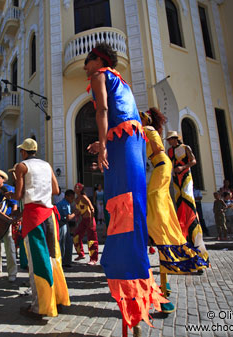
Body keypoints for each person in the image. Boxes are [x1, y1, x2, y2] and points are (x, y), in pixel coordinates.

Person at [84, 42, 166, 336]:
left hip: (123, 147)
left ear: (99, 60)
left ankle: (130, 295)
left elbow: (104, 109)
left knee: (122, 211)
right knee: (129, 210)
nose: (85, 64)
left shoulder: (99, 77)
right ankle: (135, 293)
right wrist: (105, 141)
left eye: (88, 59)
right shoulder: (123, 82)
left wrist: (104, 143)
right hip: (131, 147)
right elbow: (124, 119)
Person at [139, 108, 208, 314]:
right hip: (161, 166)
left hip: (161, 166)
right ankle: (164, 275)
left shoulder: (147, 129)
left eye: (140, 117)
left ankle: (157, 228)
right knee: (159, 203)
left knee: (155, 199)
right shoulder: (150, 132)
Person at [6, 138, 70, 318]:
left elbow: (18, 195)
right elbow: (56, 190)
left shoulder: (21, 166)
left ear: (24, 152)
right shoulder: (47, 165)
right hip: (49, 214)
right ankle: (57, 298)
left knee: (37, 261)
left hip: (33, 215)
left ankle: (39, 306)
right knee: (53, 257)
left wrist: (12, 192)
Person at [166, 131, 209, 264]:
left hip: (185, 177)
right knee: (180, 203)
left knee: (188, 200)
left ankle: (193, 231)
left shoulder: (186, 148)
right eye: (169, 140)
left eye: (171, 139)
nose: (170, 142)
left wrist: (183, 167)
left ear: (176, 139)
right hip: (175, 179)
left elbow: (193, 161)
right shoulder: (170, 151)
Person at [72, 183, 98, 265]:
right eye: (75, 186)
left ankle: (93, 259)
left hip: (89, 220)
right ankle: (81, 254)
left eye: (77, 187)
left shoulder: (84, 197)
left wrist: (91, 221)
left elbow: (92, 209)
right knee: (76, 236)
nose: (75, 188)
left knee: (91, 240)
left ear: (80, 189)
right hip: (83, 220)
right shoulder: (76, 199)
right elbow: (80, 210)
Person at [57, 189, 76, 268]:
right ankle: (62, 261)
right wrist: (75, 213)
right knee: (63, 243)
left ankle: (65, 261)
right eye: (71, 198)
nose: (72, 200)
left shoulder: (64, 203)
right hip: (62, 224)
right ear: (66, 197)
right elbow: (68, 217)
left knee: (67, 242)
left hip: (63, 224)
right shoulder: (65, 204)